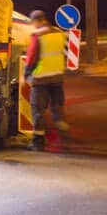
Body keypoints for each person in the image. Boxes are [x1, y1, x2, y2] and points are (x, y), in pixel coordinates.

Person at [24, 9, 70, 151]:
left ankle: (38, 142)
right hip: (57, 77)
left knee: (37, 110)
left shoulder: (37, 36)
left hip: (41, 79)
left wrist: (26, 74)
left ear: (37, 21)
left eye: (33, 23)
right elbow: (66, 52)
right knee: (57, 106)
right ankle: (63, 133)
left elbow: (31, 57)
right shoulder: (59, 33)